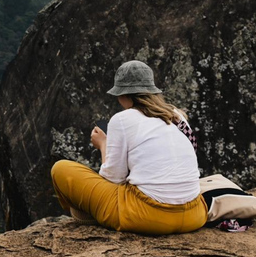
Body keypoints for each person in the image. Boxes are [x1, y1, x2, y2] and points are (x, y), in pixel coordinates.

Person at [50, 60, 207, 235]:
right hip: (195, 215)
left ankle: (91, 214)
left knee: (61, 168)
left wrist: (103, 145)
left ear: (123, 95)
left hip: (148, 217)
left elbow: (113, 179)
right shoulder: (177, 116)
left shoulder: (122, 120)